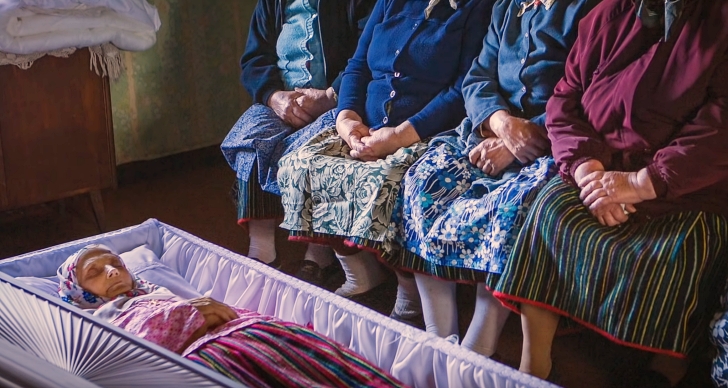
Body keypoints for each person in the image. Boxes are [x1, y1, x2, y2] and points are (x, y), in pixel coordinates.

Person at [491, 0, 728, 385]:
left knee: (690, 245)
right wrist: (588, 170)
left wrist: (641, 183)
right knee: (550, 208)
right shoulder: (606, 14)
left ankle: (663, 371)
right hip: (599, 168)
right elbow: (564, 99)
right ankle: (534, 365)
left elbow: (720, 128)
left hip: (684, 183)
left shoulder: (718, 20)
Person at [389, 0, 598, 357]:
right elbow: (477, 77)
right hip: (487, 132)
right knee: (421, 182)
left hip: (548, 143)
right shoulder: (508, 6)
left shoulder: (587, 10)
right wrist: (499, 122)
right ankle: (440, 337)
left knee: (511, 213)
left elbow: (589, 97)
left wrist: (520, 141)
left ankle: (478, 345)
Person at [276, 0, 493, 324]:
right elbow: (358, 64)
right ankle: (360, 272)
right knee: (300, 166)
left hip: (424, 132)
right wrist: (347, 117)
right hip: (365, 124)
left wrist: (399, 136)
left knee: (388, 184)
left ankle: (408, 291)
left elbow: (462, 88)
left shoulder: (478, 7)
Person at [58, 244, 405, 387]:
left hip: (252, 331)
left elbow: (221, 311)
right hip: (212, 355)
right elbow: (129, 353)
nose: (112, 271)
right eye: (94, 272)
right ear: (77, 292)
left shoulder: (155, 294)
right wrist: (189, 315)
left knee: (340, 369)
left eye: (116, 263)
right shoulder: (100, 320)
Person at [220, 0, 375, 283]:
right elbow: (254, 60)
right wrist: (273, 97)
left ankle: (318, 252)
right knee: (251, 136)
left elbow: (369, 52)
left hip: (340, 103)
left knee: (306, 154)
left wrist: (330, 96)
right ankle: (261, 249)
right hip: (283, 101)